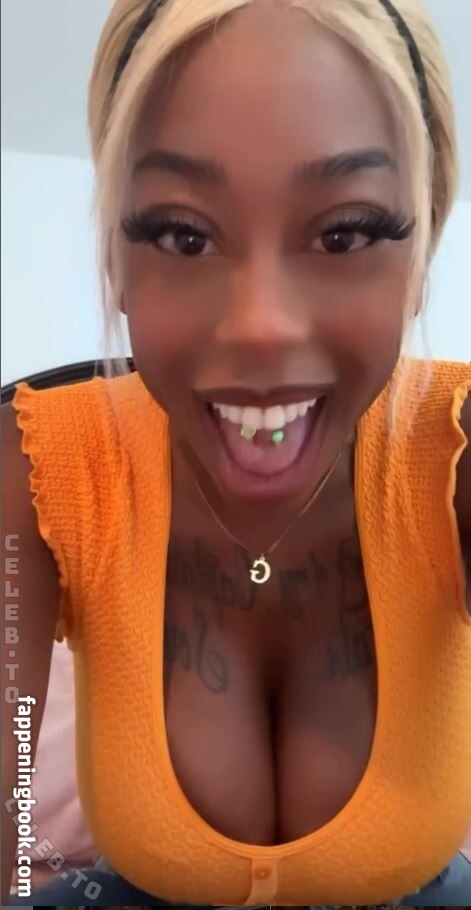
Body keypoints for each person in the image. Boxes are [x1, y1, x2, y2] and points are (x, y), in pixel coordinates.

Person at [2, 0, 470, 906]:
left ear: (421, 252)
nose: (260, 329)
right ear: (117, 258)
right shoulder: (41, 461)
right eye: (182, 235)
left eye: (344, 233)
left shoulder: (453, 443)